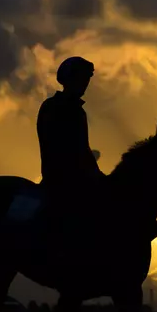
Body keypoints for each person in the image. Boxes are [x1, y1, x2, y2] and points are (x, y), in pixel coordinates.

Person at [36, 56, 106, 232]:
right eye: (82, 79)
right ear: (70, 79)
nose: (85, 84)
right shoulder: (62, 108)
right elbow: (76, 149)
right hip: (64, 181)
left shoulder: (66, 108)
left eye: (87, 80)